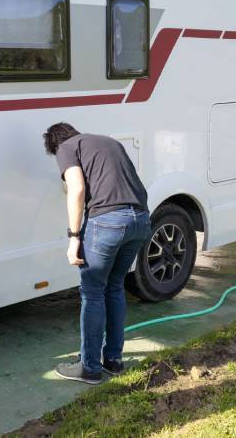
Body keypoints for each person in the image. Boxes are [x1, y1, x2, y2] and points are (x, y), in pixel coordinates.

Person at [43, 122, 152, 384]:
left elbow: (77, 189)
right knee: (114, 288)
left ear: (55, 144)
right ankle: (113, 361)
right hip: (140, 220)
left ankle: (89, 368)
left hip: (108, 222)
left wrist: (73, 237)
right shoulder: (109, 142)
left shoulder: (66, 148)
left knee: (92, 294)